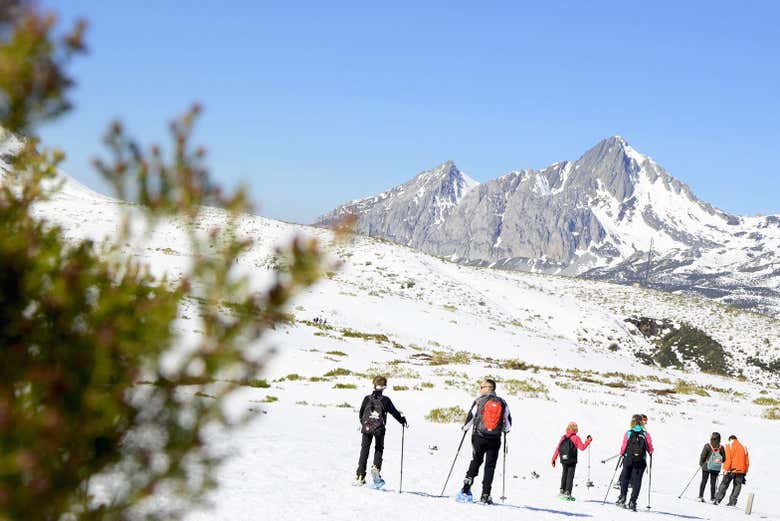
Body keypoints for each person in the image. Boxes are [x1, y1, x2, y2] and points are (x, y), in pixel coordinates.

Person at [457, 378, 512, 505]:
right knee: (490, 466)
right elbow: (508, 423)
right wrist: (505, 430)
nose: (480, 389)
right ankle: (485, 495)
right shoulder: (502, 402)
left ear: (489, 388)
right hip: (495, 439)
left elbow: (471, 416)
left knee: (476, 460)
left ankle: (466, 488)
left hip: (478, 436)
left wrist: (465, 428)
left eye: (482, 387)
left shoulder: (479, 400)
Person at [355, 375, 407, 487]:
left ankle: (360, 475)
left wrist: (365, 425)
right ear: (384, 387)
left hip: (366, 428)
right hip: (379, 429)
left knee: (364, 450)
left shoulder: (367, 398)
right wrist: (402, 421)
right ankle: (376, 468)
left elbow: (361, 414)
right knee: (379, 448)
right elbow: (394, 412)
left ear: (374, 385)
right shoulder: (385, 400)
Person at [616, 414, 654, 511]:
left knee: (625, 478)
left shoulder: (628, 433)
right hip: (640, 461)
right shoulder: (645, 434)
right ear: (641, 422)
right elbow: (650, 449)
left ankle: (622, 497)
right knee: (637, 481)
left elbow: (623, 447)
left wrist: (622, 453)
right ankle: (633, 501)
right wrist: (649, 452)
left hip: (628, 459)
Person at [551, 421, 592, 500]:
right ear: (575, 429)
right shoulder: (576, 438)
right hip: (572, 460)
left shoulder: (563, 437)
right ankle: (568, 493)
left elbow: (558, 448)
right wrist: (588, 441)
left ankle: (562, 490)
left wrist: (554, 458)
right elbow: (582, 448)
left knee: (564, 474)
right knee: (570, 476)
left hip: (563, 459)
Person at [714, 435, 749, 506]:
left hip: (731, 470)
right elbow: (747, 462)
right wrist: (744, 473)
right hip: (741, 471)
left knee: (724, 484)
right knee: (737, 486)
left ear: (730, 439)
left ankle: (717, 499)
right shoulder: (744, 447)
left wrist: (726, 469)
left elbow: (728, 459)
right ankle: (732, 502)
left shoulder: (729, 445)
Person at [698, 432, 725, 502]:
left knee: (704, 481)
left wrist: (701, 464)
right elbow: (724, 459)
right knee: (713, 483)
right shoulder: (721, 447)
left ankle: (700, 496)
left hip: (706, 466)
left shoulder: (707, 446)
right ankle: (712, 498)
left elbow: (703, 456)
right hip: (715, 468)